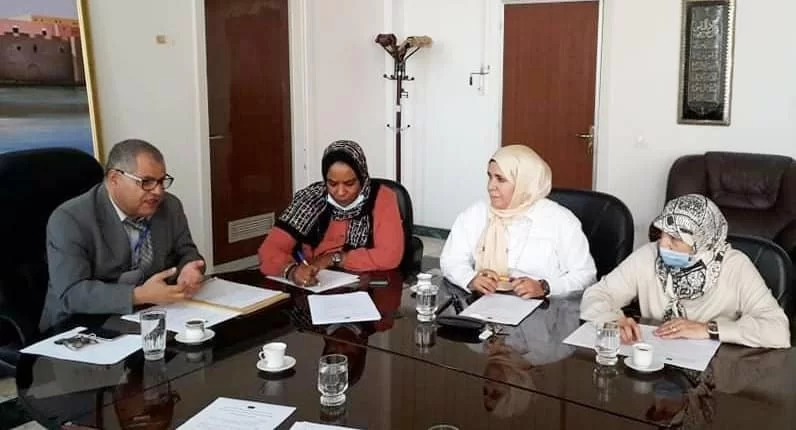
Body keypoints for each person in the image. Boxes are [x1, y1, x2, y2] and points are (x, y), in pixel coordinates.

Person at [580, 194, 791, 349]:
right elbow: (597, 294)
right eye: (662, 234)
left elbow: (778, 330)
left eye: (675, 239)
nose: (663, 245)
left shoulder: (736, 266)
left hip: (715, 372)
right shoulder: (648, 255)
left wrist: (708, 329)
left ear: (701, 242)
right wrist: (611, 319)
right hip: (655, 358)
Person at [40, 139, 205, 331]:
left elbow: (187, 252)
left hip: (149, 314)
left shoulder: (170, 206)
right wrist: (138, 295)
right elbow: (72, 294)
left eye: (161, 181)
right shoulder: (70, 219)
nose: (158, 191)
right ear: (114, 179)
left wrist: (189, 269)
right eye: (147, 182)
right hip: (80, 324)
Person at [440, 145, 596, 298]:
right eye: (490, 177)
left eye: (500, 179)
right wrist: (470, 279)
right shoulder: (476, 213)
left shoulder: (560, 220)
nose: (490, 186)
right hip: (486, 300)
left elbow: (585, 275)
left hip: (543, 306)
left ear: (524, 182)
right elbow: (451, 260)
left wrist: (545, 286)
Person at [259, 140, 404, 285]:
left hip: (364, 286)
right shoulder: (310, 199)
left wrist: (334, 258)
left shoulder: (382, 197)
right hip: (315, 284)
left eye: (349, 183)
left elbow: (389, 256)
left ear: (362, 178)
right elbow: (269, 249)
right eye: (332, 184)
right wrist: (292, 271)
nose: (340, 192)